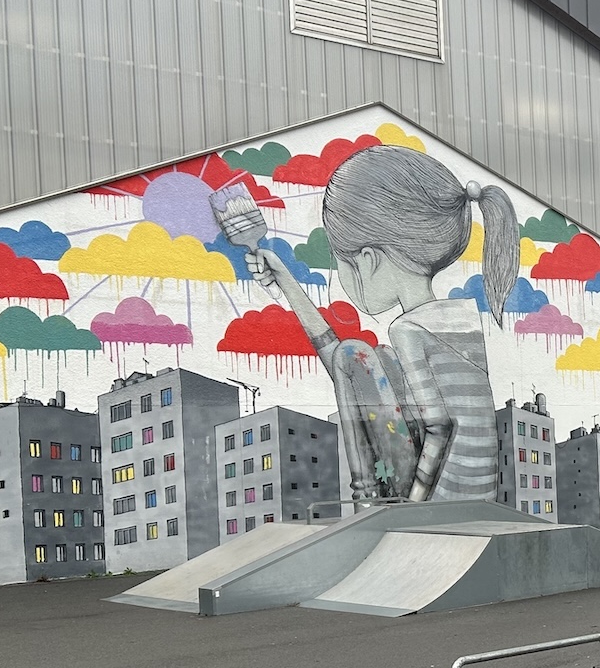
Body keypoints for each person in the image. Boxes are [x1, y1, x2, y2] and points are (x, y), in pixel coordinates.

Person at [221, 145, 519, 503]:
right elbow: (359, 379)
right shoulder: (464, 319)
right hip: (479, 495)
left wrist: (411, 507)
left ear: (368, 260)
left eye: (342, 266)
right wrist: (286, 282)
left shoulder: (407, 330)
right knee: (375, 358)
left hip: (440, 499)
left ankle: (367, 499)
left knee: (353, 353)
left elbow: (439, 427)